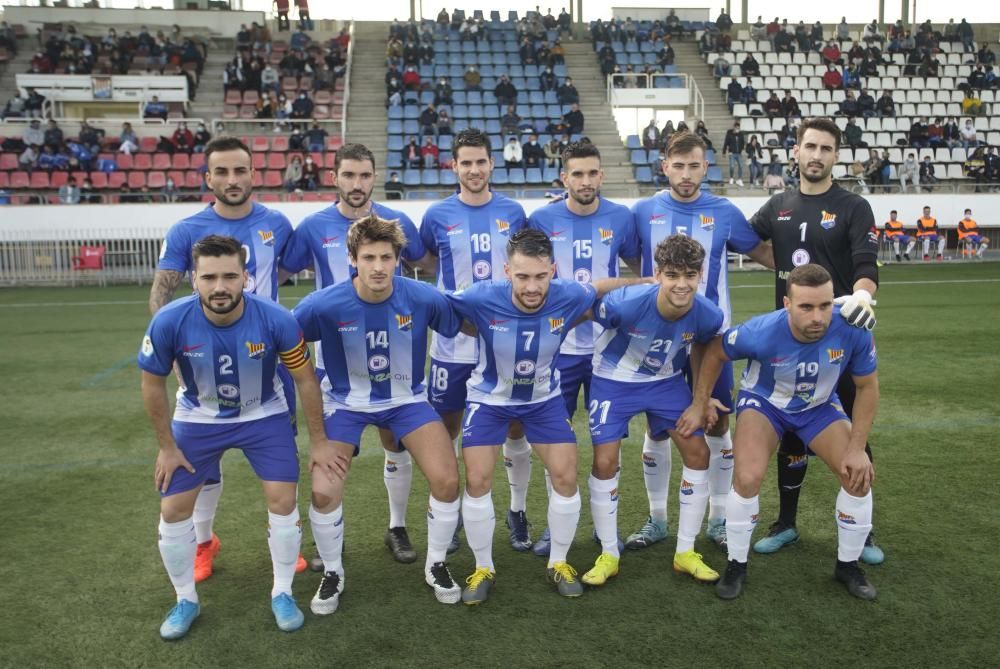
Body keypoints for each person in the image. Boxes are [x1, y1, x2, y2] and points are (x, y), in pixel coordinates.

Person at [138, 234, 326, 638]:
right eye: (209, 277)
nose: (219, 287)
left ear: (245, 277)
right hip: (198, 417)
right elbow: (152, 384)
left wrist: (320, 440)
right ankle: (185, 599)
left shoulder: (276, 319)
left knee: (282, 499)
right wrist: (167, 448)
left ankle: (282, 592)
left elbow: (306, 380)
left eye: (229, 276)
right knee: (173, 509)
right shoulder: (169, 320)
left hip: (264, 414)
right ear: (194, 279)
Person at [445, 228, 640, 604]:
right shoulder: (479, 296)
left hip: (543, 400)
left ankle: (559, 562)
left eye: (540, 276)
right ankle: (483, 566)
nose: (532, 286)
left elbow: (599, 287)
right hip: (489, 399)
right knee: (478, 479)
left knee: (566, 476)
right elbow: (440, 309)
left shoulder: (569, 293)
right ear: (506, 271)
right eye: (522, 277)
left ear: (553, 270)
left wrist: (647, 279)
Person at [148, 137, 303, 583]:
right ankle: (203, 542)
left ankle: (282, 540)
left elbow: (281, 277)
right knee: (201, 465)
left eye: (240, 171)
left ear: (254, 173)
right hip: (203, 367)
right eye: (222, 172)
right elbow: (161, 293)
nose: (232, 180)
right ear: (208, 177)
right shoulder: (186, 229)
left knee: (278, 462)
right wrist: (172, 353)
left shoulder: (276, 223)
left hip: (269, 367)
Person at [292, 215, 464, 612]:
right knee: (322, 491)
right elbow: (285, 338)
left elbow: (464, 322)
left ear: (399, 259)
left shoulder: (422, 297)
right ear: (352, 258)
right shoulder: (323, 304)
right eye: (368, 257)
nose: (378, 267)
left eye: (386, 257)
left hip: (407, 401)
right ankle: (332, 571)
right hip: (345, 404)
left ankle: (436, 564)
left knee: (447, 479)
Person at [679, 263, 879, 601]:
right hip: (765, 404)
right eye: (806, 307)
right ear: (787, 304)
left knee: (857, 475)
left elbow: (868, 387)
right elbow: (715, 352)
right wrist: (700, 403)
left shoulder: (854, 328)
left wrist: (857, 448)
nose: (817, 316)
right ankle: (736, 564)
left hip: (817, 407)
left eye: (825, 305)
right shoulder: (761, 331)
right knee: (747, 477)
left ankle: (848, 565)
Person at [281, 144, 433, 564]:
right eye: (348, 175)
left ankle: (397, 527)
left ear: (374, 177)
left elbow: (426, 264)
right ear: (335, 177)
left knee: (394, 443)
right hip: (335, 361)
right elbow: (275, 274)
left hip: (392, 356)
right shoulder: (312, 226)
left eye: (364, 175)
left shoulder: (396, 222)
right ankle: (331, 543)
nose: (357, 184)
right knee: (330, 460)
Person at [746, 117, 884, 566]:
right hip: (789, 340)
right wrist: (783, 266)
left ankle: (862, 532)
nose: (817, 155)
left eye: (826, 148)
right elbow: (751, 243)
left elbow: (867, 264)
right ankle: (786, 523)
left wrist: (862, 293)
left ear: (836, 156)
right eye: (810, 146)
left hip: (839, 340)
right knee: (790, 432)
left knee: (854, 432)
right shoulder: (777, 205)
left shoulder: (853, 206)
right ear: (796, 152)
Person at [628, 131, 773, 552]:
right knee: (658, 429)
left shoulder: (724, 211)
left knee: (718, 422)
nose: (687, 174)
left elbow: (763, 254)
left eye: (695, 166)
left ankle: (718, 519)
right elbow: (630, 260)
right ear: (664, 166)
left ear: (705, 167)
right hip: (659, 339)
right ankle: (656, 520)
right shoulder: (643, 211)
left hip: (712, 339)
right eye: (679, 165)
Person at [581, 233, 730, 587]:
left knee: (698, 454)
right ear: (659, 274)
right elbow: (583, 309)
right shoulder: (625, 303)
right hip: (612, 381)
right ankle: (608, 554)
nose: (682, 285)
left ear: (700, 275)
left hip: (665, 382)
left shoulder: (708, 312)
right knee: (605, 463)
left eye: (690, 276)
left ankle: (685, 552)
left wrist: (700, 400)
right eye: (673, 275)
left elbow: (707, 347)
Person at [523, 141, 640, 556]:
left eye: (592, 173)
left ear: (602, 175)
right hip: (558, 349)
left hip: (608, 349)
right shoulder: (541, 218)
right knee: (554, 438)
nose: (586, 181)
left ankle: (604, 528)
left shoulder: (621, 218)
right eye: (577, 174)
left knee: (609, 444)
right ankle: (555, 528)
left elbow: (637, 268)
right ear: (564, 178)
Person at [418, 128, 528, 551]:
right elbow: (428, 260)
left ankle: (517, 510)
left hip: (504, 342)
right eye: (466, 162)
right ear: (454, 166)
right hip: (453, 343)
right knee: (446, 427)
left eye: (481, 161)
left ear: (491, 163)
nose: (474, 169)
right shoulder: (436, 215)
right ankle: (453, 513)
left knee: (514, 424)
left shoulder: (513, 212)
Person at [722, 122, 745, 187]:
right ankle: (731, 177)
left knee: (741, 166)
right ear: (734, 127)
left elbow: (743, 142)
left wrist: (741, 149)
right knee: (732, 166)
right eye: (736, 128)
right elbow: (726, 142)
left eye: (738, 128)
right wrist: (724, 152)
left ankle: (739, 179)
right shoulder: (729, 133)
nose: (737, 129)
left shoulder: (741, 134)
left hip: (739, 153)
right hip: (731, 152)